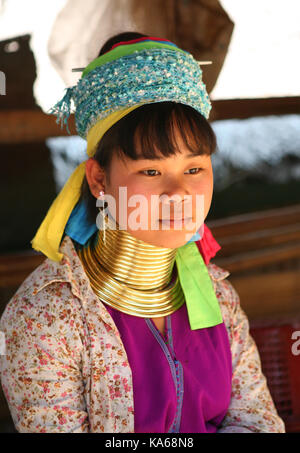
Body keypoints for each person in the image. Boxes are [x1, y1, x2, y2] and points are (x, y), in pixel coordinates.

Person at [0, 32, 285, 433]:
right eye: (151, 171)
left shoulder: (217, 296)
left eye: (194, 169)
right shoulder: (46, 317)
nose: (179, 193)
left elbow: (258, 422)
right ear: (99, 179)